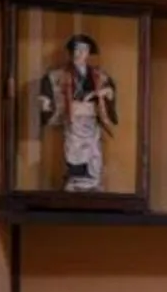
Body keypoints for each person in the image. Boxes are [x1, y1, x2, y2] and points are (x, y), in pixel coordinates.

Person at [37, 32, 119, 191]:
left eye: (83, 50)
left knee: (93, 149)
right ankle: (75, 177)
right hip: (73, 117)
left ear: (88, 53)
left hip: (91, 118)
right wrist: (46, 101)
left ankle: (92, 178)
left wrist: (105, 93)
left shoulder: (97, 75)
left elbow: (110, 90)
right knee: (74, 146)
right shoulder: (59, 75)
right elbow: (48, 86)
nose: (79, 53)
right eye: (76, 50)